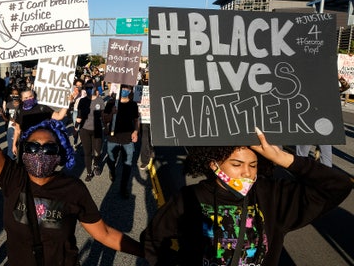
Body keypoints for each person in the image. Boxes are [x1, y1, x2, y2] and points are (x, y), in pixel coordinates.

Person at [0, 55, 143, 265]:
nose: (39, 153)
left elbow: (104, 233)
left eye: (48, 148)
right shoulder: (13, 178)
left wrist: (146, 252)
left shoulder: (73, 189)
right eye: (32, 147)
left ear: (59, 155)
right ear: (23, 151)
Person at [139, 128, 352, 265]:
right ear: (214, 165)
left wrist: (282, 158)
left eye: (253, 165)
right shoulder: (190, 198)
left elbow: (338, 185)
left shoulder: (272, 196)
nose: (247, 173)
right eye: (236, 164)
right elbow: (153, 240)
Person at [103, 84, 139, 199]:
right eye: (123, 88)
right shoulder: (111, 103)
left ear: (130, 91)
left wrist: (136, 132)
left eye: (127, 89)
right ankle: (112, 171)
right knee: (111, 159)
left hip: (127, 139)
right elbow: (104, 119)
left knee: (127, 164)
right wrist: (111, 113)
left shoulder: (133, 104)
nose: (124, 90)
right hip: (112, 138)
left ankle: (123, 187)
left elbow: (136, 119)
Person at [11, 88, 68, 158]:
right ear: (21, 99)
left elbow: (59, 116)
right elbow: (17, 130)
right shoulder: (20, 111)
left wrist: (67, 102)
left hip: (42, 146)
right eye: (26, 98)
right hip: (27, 146)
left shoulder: (42, 108)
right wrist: (14, 145)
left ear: (34, 96)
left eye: (30, 96)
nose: (29, 99)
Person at [76, 83, 106, 182]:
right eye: (87, 87)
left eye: (91, 87)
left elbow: (103, 116)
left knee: (97, 152)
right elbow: (79, 116)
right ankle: (89, 172)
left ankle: (96, 164)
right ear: (85, 89)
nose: (89, 89)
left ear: (94, 88)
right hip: (84, 130)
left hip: (97, 129)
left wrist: (106, 126)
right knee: (87, 152)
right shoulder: (82, 101)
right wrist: (76, 128)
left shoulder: (100, 100)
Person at [0, 87, 21, 160]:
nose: (15, 96)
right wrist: (2, 114)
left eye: (16, 94)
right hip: (11, 128)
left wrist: (17, 122)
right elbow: (7, 119)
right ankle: (11, 160)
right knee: (10, 145)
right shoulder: (9, 105)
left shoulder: (22, 105)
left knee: (19, 145)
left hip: (20, 128)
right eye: (13, 94)